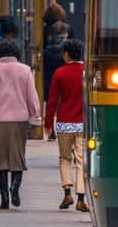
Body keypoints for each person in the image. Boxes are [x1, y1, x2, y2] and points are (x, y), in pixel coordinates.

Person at [0, 41, 42, 209]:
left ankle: (4, 196)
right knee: (17, 156)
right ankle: (15, 187)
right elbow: (32, 96)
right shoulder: (25, 70)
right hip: (19, 119)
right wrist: (35, 117)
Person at [45, 39, 88, 212]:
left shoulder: (60, 73)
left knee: (64, 158)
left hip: (64, 122)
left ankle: (67, 192)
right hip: (83, 123)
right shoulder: (87, 72)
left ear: (67, 54)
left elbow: (53, 100)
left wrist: (48, 124)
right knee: (81, 160)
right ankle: (81, 198)